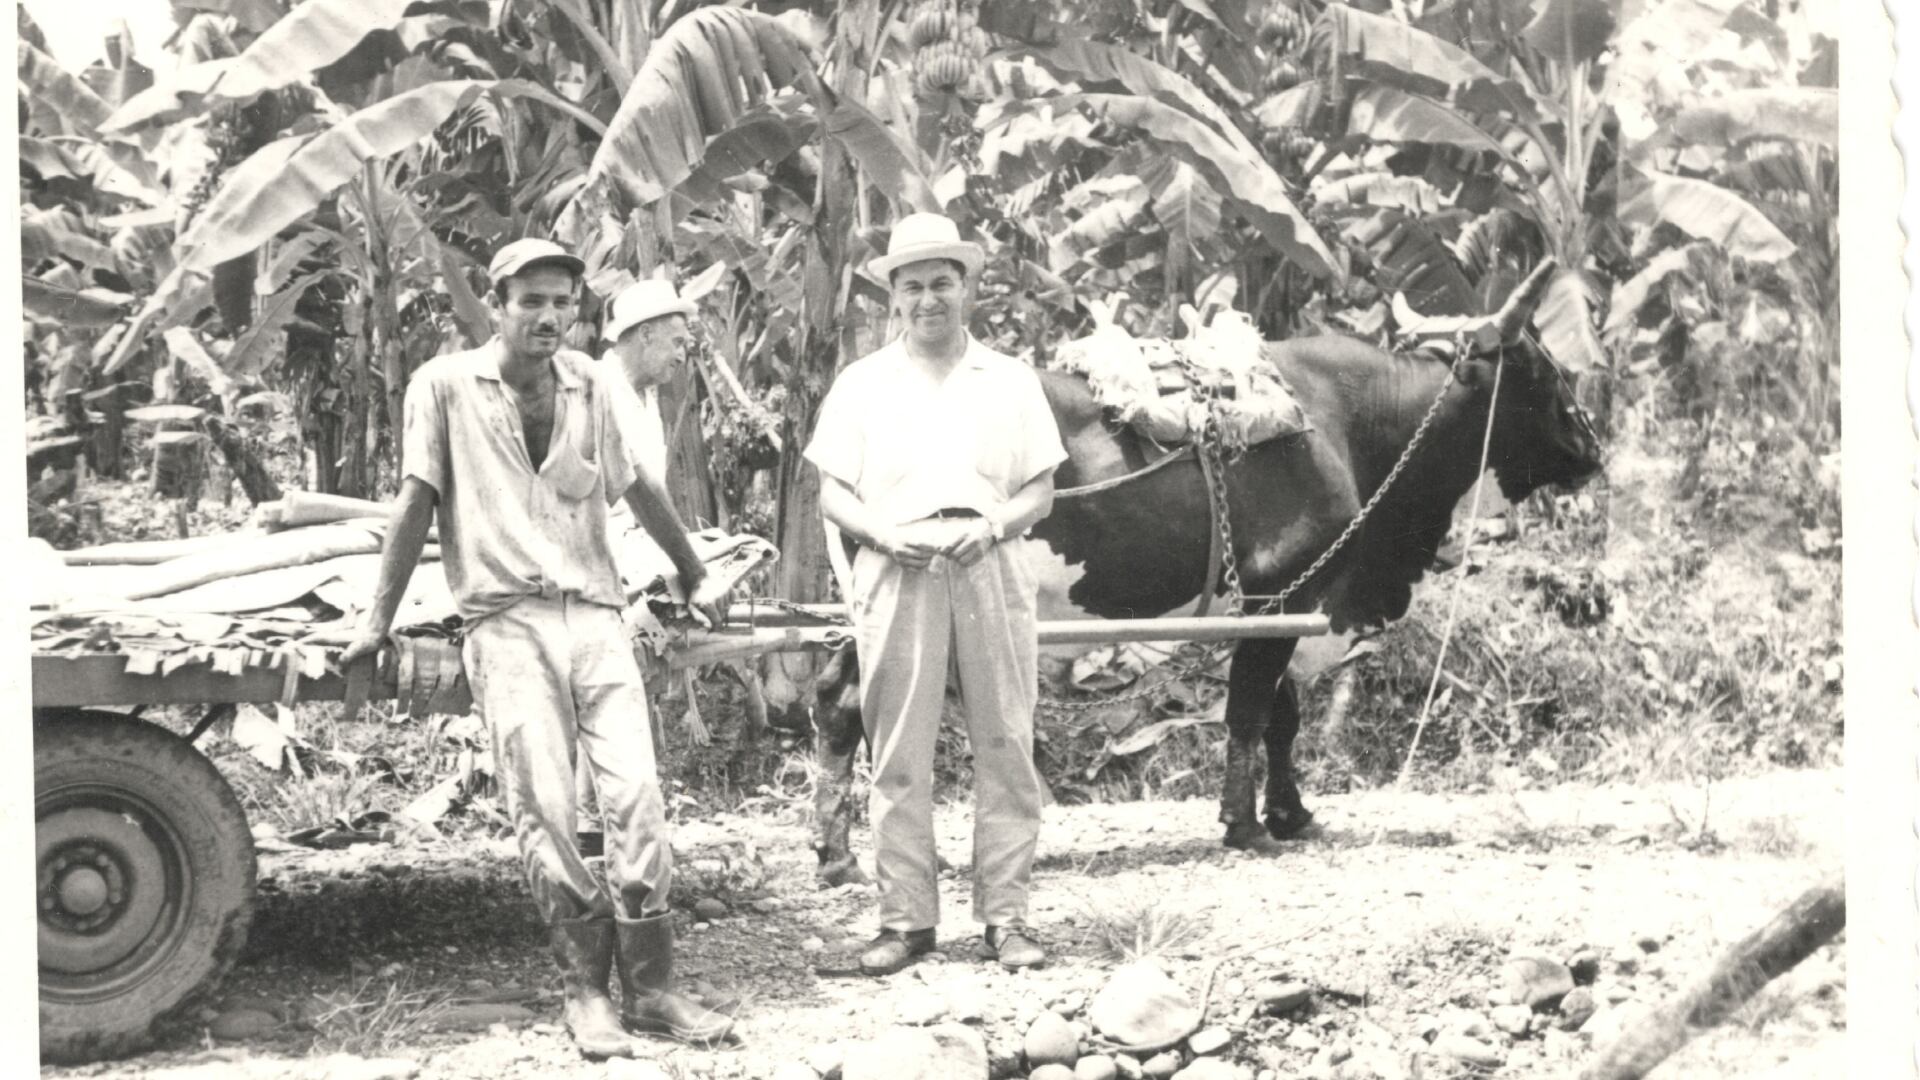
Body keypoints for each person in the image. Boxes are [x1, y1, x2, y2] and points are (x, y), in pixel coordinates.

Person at [339, 239, 734, 1057]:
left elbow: (635, 485)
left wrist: (693, 571)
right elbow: (416, 500)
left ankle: (652, 989)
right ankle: (586, 993)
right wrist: (375, 621)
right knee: (546, 806)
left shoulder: (588, 381)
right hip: (507, 620)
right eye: (531, 301)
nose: (548, 317)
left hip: (594, 611)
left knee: (636, 794)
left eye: (561, 302)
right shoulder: (444, 385)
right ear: (498, 305)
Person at [803, 212, 1067, 976]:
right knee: (898, 752)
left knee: (1006, 743)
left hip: (991, 562)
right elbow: (833, 494)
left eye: (942, 283)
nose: (928, 299)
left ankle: (1006, 920)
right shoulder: (863, 384)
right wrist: (885, 535)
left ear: (967, 287)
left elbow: (1041, 490)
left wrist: (993, 526)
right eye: (913, 285)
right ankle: (905, 922)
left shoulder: (1009, 379)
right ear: (893, 295)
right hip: (897, 565)